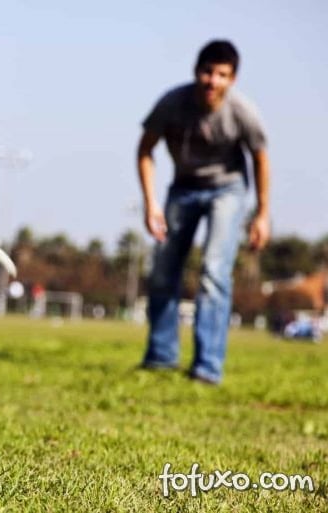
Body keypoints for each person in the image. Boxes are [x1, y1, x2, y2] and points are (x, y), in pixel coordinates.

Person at [137, 40, 270, 384]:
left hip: (228, 190)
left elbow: (260, 159)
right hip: (183, 188)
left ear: (233, 79)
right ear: (197, 72)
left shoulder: (242, 112)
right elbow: (145, 150)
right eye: (208, 72)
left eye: (222, 75)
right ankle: (161, 357)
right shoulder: (172, 103)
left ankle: (207, 367)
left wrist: (262, 213)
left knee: (213, 270)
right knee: (164, 269)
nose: (213, 81)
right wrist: (151, 204)